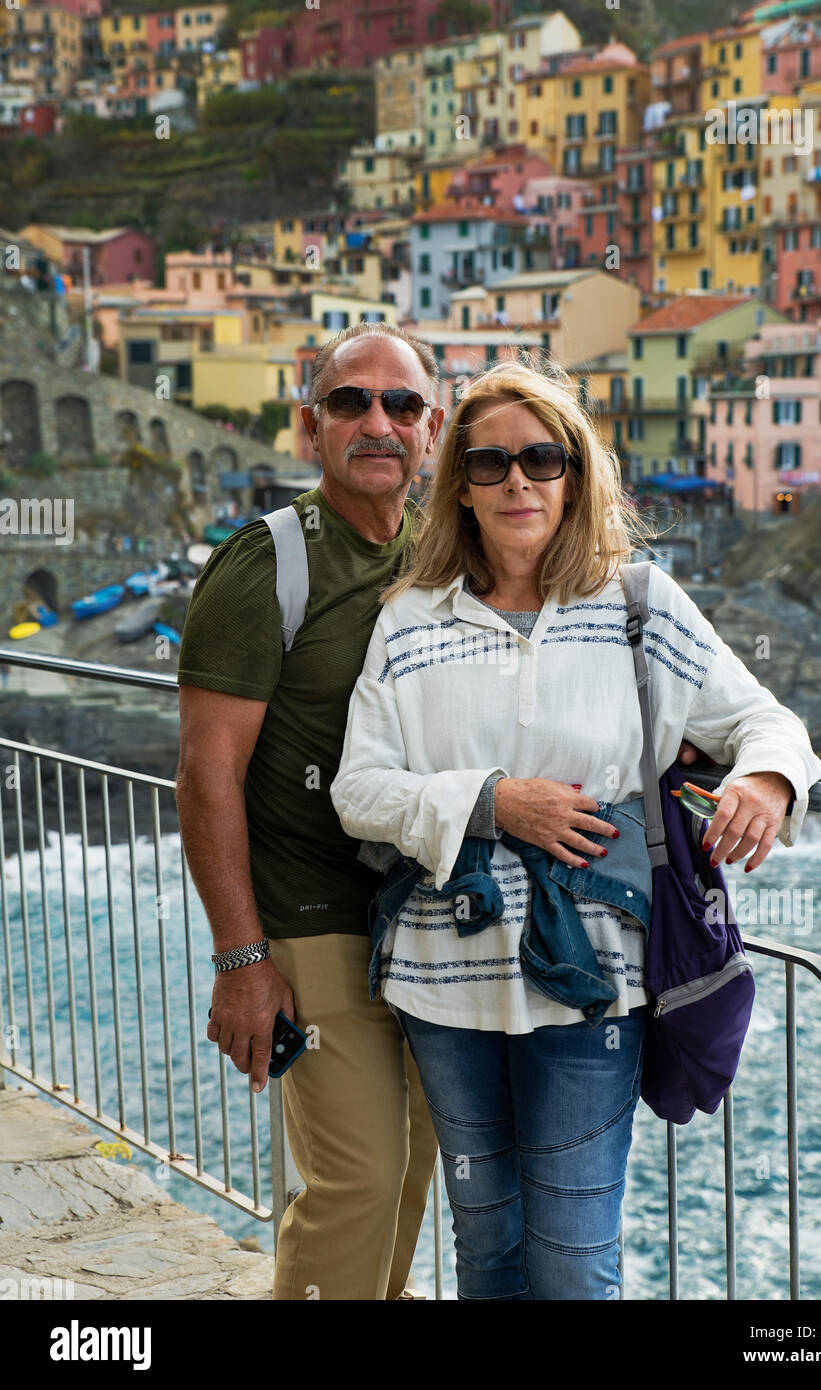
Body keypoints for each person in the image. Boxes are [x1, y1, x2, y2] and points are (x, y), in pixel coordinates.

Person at [329, 358, 821, 1301]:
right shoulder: (407, 623)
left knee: (572, 1255)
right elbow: (360, 791)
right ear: (461, 488)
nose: (518, 480)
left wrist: (763, 778)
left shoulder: (639, 605)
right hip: (444, 983)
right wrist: (492, 800)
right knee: (487, 1250)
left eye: (542, 459)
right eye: (489, 464)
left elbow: (765, 722)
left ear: (574, 473)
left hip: (592, 987)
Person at [175, 323, 446, 1300]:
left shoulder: (436, 555)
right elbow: (207, 773)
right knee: (358, 1177)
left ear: (431, 429)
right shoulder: (267, 564)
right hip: (310, 923)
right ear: (309, 429)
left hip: (420, 922)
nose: (377, 421)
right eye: (350, 402)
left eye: (401, 404)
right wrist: (242, 961)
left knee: (411, 1166)